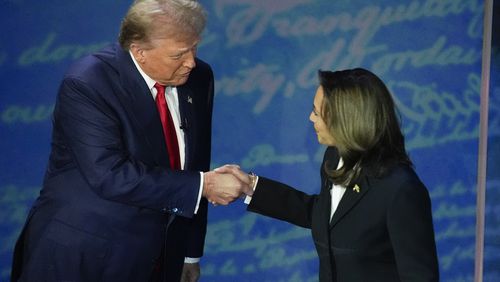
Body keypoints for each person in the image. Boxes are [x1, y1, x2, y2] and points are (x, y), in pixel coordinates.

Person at [10, 1, 250, 281]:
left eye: (194, 47)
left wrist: (188, 252)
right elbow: (109, 174)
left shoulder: (198, 77)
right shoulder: (89, 83)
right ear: (139, 51)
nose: (191, 62)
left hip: (159, 256)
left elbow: (196, 160)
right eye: (179, 54)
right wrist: (205, 185)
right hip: (85, 254)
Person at [218, 68, 439, 281]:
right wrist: (251, 186)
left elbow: (419, 276)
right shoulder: (334, 157)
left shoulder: (401, 189)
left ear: (345, 120)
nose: (310, 118)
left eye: (316, 112)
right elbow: (326, 215)